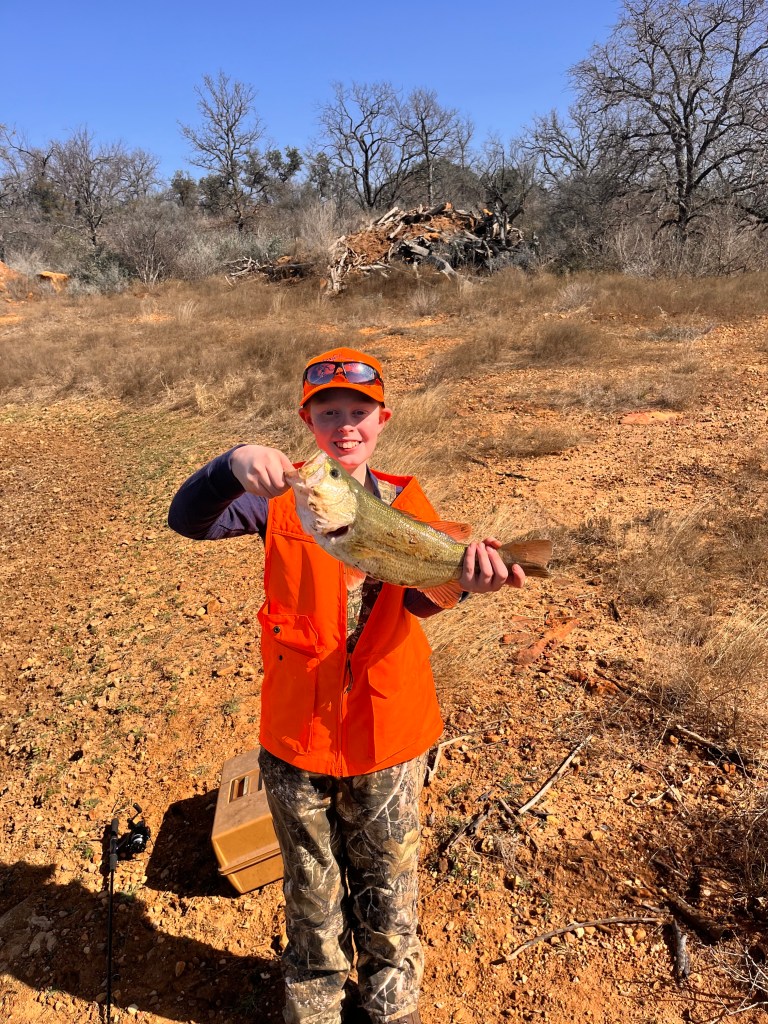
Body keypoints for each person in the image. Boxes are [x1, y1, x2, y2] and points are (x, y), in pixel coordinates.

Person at [168, 347, 525, 1024]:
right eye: (328, 412)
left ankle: (392, 1005)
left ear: (382, 419)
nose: (344, 424)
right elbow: (188, 520)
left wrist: (467, 584)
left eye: (358, 411)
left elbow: (417, 600)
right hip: (297, 735)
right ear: (307, 422)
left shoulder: (408, 505)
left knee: (389, 885)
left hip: (387, 732)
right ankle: (315, 1005)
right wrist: (229, 464)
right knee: (310, 887)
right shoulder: (282, 498)